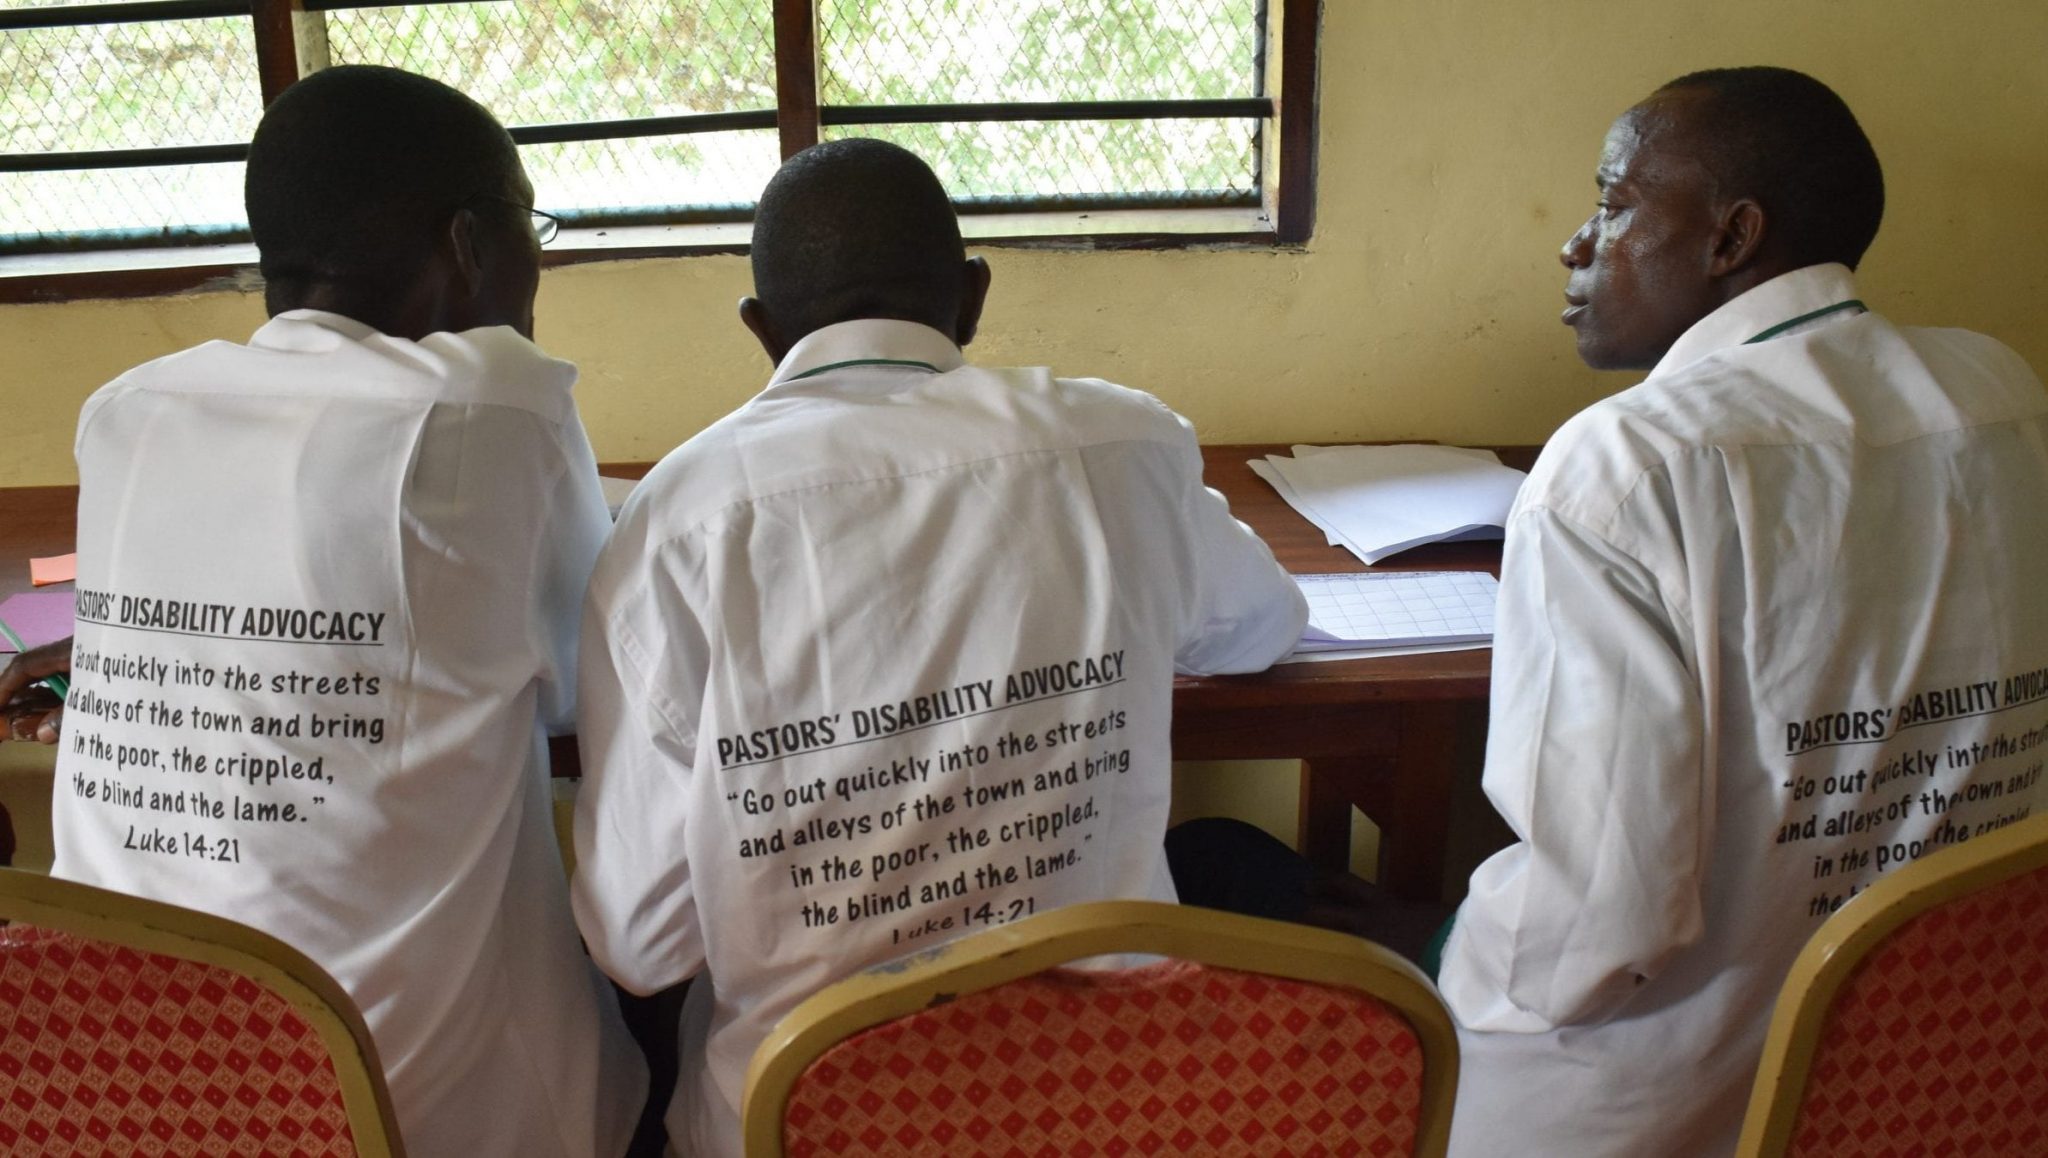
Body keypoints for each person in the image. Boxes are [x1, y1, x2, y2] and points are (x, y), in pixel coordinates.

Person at [571, 137, 1308, 1157]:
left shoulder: (678, 519)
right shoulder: (1120, 443)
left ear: (762, 328)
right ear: (970, 297)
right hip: (1110, 1107)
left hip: (807, 1121)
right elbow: (1265, 628)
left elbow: (641, 946)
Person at [1436, 67, 2048, 1157]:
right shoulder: (1996, 394)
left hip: (1660, 1099)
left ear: (1730, 238)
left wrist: (1429, 945)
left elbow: (1596, 933)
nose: (1575, 245)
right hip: (1953, 1069)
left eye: (1612, 203)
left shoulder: (1621, 466)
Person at [49, 65, 643, 1157]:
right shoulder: (489, 410)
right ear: (470, 243)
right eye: (532, 226)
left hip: (128, 1089)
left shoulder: (126, 413)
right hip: (411, 1108)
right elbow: (585, 673)